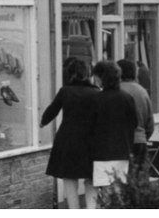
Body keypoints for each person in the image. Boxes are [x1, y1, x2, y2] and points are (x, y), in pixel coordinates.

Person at [40, 57, 99, 209]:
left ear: (71, 74)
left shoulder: (65, 91)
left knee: (69, 180)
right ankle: (92, 210)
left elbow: (52, 110)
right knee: (91, 178)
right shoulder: (96, 93)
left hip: (68, 140)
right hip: (91, 141)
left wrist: (42, 122)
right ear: (88, 74)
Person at [87, 60, 138, 207]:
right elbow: (134, 123)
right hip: (122, 152)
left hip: (101, 153)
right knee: (117, 193)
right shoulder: (127, 98)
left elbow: (89, 127)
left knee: (100, 191)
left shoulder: (96, 99)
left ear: (102, 78)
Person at [117, 58, 155, 175]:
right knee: (139, 180)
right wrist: (143, 136)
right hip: (139, 140)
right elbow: (150, 123)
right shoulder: (142, 91)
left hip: (118, 142)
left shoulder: (115, 90)